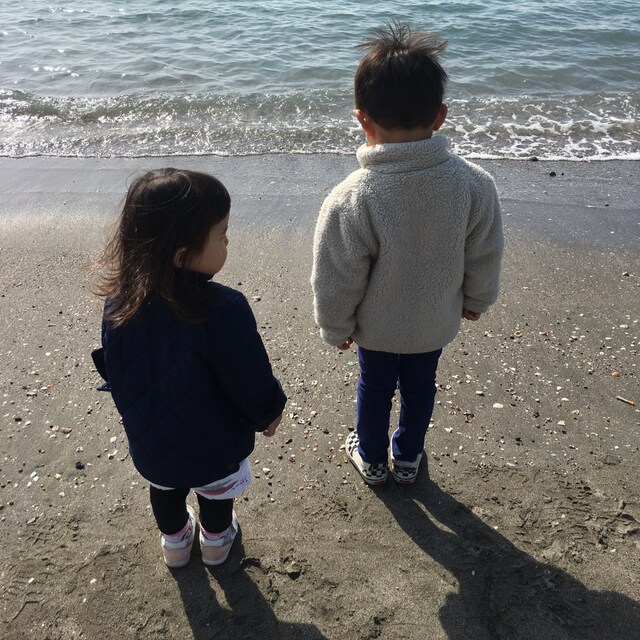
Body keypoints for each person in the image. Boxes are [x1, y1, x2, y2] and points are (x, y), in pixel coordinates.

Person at [311, 23, 503, 486]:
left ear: (362, 119)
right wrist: (477, 298)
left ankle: (373, 459)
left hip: (377, 328)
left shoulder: (352, 196)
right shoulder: (474, 184)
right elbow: (484, 251)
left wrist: (334, 325)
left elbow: (336, 272)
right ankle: (409, 457)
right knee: (420, 387)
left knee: (374, 387)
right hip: (434, 322)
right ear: (440, 116)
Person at [96, 168, 286, 567]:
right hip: (214, 445)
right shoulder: (224, 309)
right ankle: (216, 543)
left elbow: (117, 369)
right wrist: (268, 411)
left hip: (152, 440)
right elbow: (247, 377)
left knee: (164, 489)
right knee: (216, 492)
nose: (227, 241)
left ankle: (175, 543)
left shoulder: (119, 304)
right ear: (182, 255)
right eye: (221, 234)